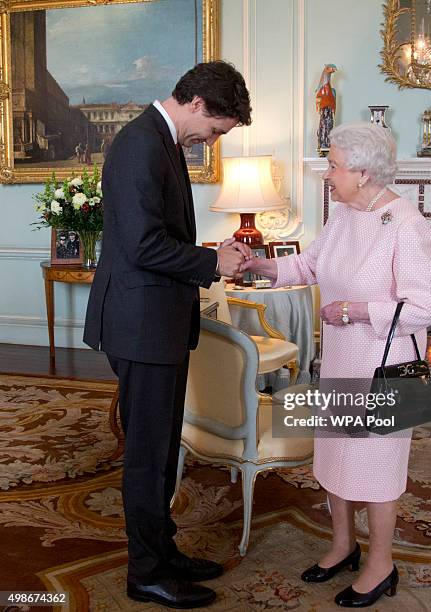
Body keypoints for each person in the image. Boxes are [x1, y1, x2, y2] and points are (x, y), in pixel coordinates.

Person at [241, 123, 431, 608]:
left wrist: (352, 310)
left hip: (385, 368)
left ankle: (381, 564)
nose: (327, 174)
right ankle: (343, 545)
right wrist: (259, 265)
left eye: (333, 165)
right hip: (342, 359)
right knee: (336, 459)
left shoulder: (406, 224)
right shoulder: (346, 213)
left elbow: (424, 307)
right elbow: (310, 265)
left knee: (376, 466)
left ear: (363, 172)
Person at [83, 61, 252, 609]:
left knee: (159, 448)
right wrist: (213, 262)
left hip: (156, 321)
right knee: (147, 455)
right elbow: (143, 246)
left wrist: (209, 259)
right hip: (140, 325)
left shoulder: (161, 139)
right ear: (199, 104)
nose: (213, 139)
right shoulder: (140, 144)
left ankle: (163, 550)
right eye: (218, 129)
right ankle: (147, 573)